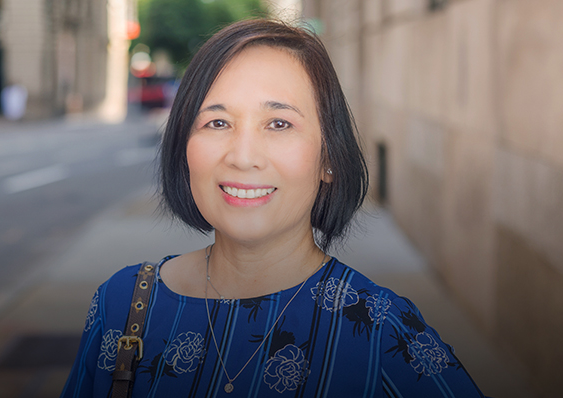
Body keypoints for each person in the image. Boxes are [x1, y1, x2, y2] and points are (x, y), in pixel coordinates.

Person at [61, 19, 484, 397]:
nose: (243, 157)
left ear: (329, 159)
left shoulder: (384, 332)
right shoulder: (123, 305)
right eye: (217, 123)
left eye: (279, 124)